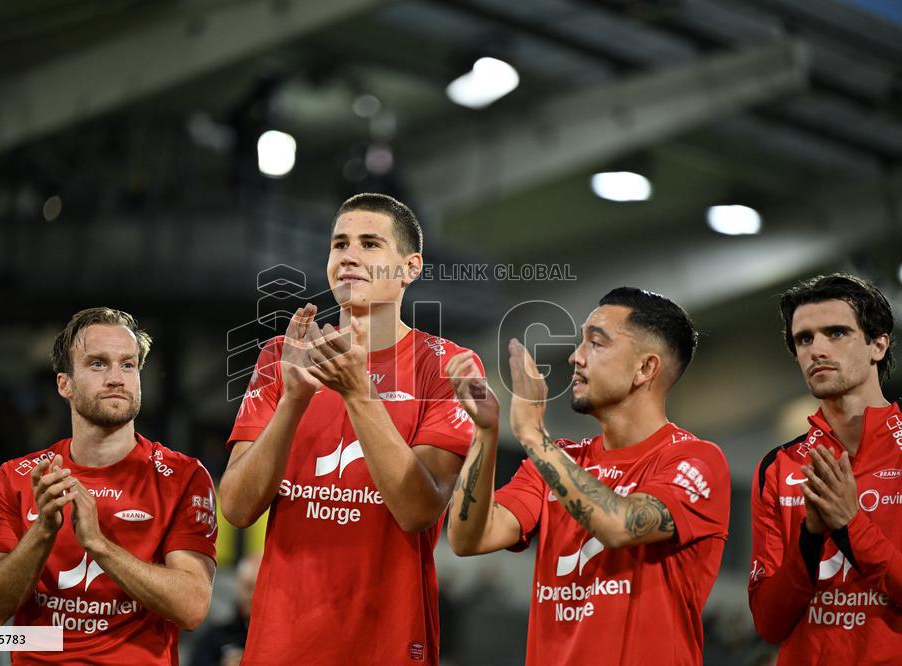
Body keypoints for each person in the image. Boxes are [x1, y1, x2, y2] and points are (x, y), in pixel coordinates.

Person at [219, 193, 480, 666]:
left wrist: (359, 394)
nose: (349, 257)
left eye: (370, 244)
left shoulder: (444, 365)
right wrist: (294, 400)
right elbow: (236, 507)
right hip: (280, 646)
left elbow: (418, 510)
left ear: (410, 267)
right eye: (339, 244)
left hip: (386, 645)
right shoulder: (282, 358)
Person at [447, 287, 730, 666]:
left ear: (645, 368)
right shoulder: (557, 460)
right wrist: (485, 432)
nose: (575, 357)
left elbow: (621, 525)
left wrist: (532, 435)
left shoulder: (695, 460)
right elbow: (469, 538)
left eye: (595, 343)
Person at [0, 308, 217, 664]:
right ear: (65, 384)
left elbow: (192, 607)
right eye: (98, 364)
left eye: (128, 365)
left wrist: (98, 544)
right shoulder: (18, 476)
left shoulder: (184, 477)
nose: (117, 378)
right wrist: (43, 530)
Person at [748, 273, 901, 664]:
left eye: (836, 333)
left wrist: (850, 523)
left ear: (878, 344)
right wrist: (811, 537)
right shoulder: (779, 467)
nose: (817, 350)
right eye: (804, 338)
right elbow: (769, 622)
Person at [191, 553, 262, 666]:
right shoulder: (214, 639)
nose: (253, 595)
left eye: (261, 589)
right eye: (249, 587)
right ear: (239, 586)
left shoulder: (284, 637)